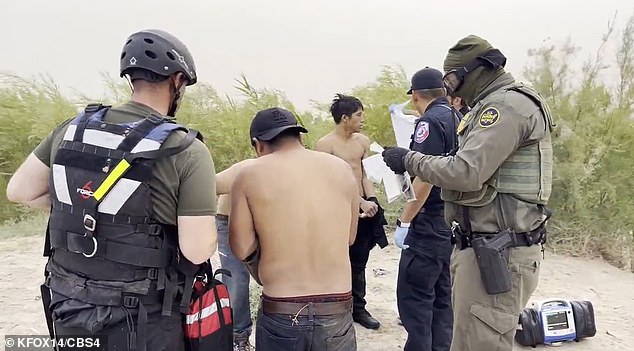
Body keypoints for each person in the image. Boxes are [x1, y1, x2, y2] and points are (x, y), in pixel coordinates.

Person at [6, 29, 218, 351]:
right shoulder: (185, 148)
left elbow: (20, 190)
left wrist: (88, 212)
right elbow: (197, 251)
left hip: (67, 302)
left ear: (131, 79)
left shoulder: (73, 127)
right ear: (177, 80)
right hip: (142, 319)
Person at [382, 35, 554, 351]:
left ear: (476, 71)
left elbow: (467, 172)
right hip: (484, 248)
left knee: (479, 342)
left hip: (497, 251)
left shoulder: (504, 106)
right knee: (465, 338)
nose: (451, 89)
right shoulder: (489, 106)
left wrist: (408, 160)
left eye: (452, 79)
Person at [229, 107, 359, 351]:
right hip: (336, 308)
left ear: (258, 145)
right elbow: (349, 238)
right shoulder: (342, 168)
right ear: (299, 136)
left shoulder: (248, 174)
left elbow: (241, 248)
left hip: (283, 310)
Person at [393, 67, 459, 351]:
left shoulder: (429, 123)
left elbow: (425, 178)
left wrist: (405, 221)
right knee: (442, 299)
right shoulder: (458, 117)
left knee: (415, 300)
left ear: (416, 96)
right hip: (449, 222)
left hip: (428, 224)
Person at [315, 94, 388, 330]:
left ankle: (359, 308)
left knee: (360, 260)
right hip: (338, 209)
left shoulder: (362, 141)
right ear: (344, 118)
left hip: (363, 208)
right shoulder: (325, 145)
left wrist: (371, 200)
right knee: (338, 260)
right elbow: (331, 183)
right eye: (358, 115)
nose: (362, 119)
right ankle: (337, 307)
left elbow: (364, 175)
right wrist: (358, 202)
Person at [216, 159, 257, 351]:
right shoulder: (247, 168)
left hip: (264, 221)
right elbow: (211, 185)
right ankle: (237, 336)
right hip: (230, 220)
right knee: (236, 280)